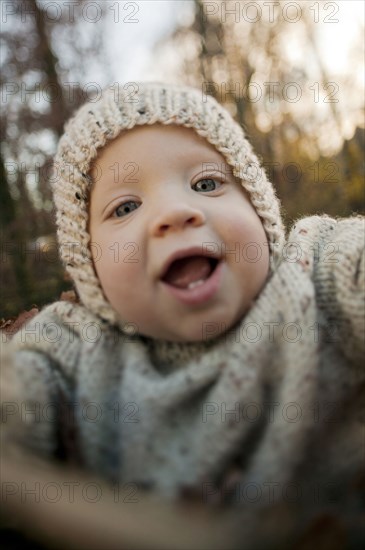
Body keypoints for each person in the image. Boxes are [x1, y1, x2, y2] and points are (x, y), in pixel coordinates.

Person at [1, 82, 364, 516]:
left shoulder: (317, 267)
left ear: (258, 204)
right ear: (88, 262)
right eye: (125, 207)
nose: (174, 212)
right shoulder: (70, 349)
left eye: (206, 182)